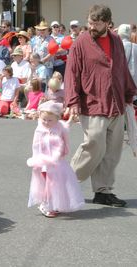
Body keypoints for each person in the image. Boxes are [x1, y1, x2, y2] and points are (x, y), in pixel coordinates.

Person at [64, 4, 137, 207]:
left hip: (116, 102)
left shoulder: (115, 40)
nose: (92, 27)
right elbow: (72, 72)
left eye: (96, 23)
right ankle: (66, 181)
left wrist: (130, 93)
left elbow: (122, 68)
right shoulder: (80, 42)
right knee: (95, 143)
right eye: (90, 22)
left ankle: (103, 191)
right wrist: (72, 100)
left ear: (107, 23)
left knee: (112, 151)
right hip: (93, 102)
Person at [27, 101, 85, 218]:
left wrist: (70, 121)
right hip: (44, 162)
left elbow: (65, 129)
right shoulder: (39, 130)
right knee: (48, 184)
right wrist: (36, 160)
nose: (46, 122)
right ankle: (46, 204)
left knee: (57, 184)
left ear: (57, 119)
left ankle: (54, 204)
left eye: (50, 120)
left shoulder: (59, 127)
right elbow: (35, 145)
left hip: (58, 162)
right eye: (44, 119)